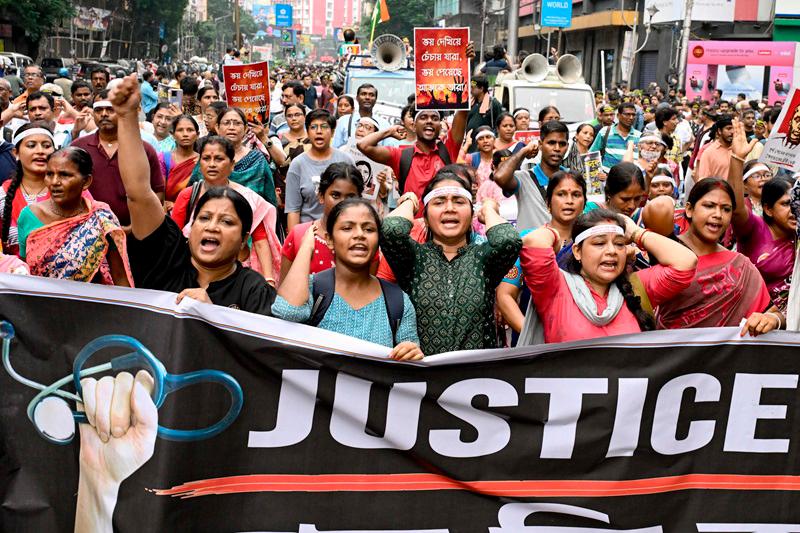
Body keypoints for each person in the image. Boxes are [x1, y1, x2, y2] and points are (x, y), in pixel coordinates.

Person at [111, 74, 277, 312]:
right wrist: (126, 117)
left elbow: (254, 348)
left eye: (227, 221)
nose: (212, 227)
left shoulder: (254, 290)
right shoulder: (167, 260)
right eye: (204, 218)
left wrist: (210, 314)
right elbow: (138, 193)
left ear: (243, 243)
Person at [380, 172, 522, 354]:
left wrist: (488, 209)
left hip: (477, 376)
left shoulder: (484, 259)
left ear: (472, 215)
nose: (449, 208)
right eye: (439, 202)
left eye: (459, 201)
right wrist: (410, 201)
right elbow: (391, 230)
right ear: (426, 219)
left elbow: (508, 240)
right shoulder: (413, 258)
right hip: (422, 376)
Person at [273, 198, 423, 359]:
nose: (359, 235)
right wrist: (306, 248)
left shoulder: (398, 301)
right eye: (347, 228)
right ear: (330, 240)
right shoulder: (312, 289)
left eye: (369, 229)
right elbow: (288, 313)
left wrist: (411, 352)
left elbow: (411, 360)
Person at [520, 208, 697, 344]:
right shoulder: (556, 287)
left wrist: (635, 232)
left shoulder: (636, 286)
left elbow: (685, 262)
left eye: (619, 244)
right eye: (599, 243)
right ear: (577, 251)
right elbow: (534, 242)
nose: (612, 251)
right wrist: (555, 234)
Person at [656, 178, 781, 335]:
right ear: (689, 209)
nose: (718, 215)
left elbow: (775, 314)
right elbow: (659, 207)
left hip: (727, 357)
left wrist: (771, 319)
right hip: (669, 353)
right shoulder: (666, 249)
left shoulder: (740, 265)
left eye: (726, 209)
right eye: (709, 206)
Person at [16, 146, 132, 285]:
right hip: (40, 302)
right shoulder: (29, 215)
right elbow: (25, 272)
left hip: (88, 302)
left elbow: (119, 275)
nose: (54, 182)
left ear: (86, 181)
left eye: (65, 175)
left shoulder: (101, 217)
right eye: (49, 174)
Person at [172, 136, 280, 285]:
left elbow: (260, 240)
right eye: (206, 158)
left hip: (235, 276)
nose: (212, 164)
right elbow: (174, 238)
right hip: (193, 274)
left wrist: (268, 279)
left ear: (232, 164)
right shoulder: (188, 195)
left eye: (219, 159)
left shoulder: (247, 198)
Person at [497, 171, 586, 344]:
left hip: (577, 342)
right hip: (533, 342)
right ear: (548, 203)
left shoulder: (589, 243)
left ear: (584, 203)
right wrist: (532, 335)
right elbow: (505, 295)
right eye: (561, 194)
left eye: (576, 195)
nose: (569, 201)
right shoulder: (530, 240)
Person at [728, 118, 796, 313]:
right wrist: (737, 159)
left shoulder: (797, 236)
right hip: (753, 324)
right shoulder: (756, 230)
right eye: (785, 204)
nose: (794, 210)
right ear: (768, 209)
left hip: (790, 323)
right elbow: (737, 208)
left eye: (796, 204)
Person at [71, 91, 165, 227]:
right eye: (98, 110)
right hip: (87, 232)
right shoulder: (78, 147)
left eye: (110, 109)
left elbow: (158, 192)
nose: (103, 114)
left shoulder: (143, 149)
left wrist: (137, 226)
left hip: (136, 234)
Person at [281, 162, 364, 278]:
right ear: (321, 196)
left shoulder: (365, 241)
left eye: (350, 197)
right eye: (335, 195)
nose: (342, 203)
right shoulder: (299, 235)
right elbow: (284, 291)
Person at [190, 107, 277, 206]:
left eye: (237, 123)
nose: (231, 127)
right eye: (226, 123)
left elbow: (270, 199)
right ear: (217, 128)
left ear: (245, 129)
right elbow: (193, 192)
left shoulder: (257, 160)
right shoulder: (208, 157)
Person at [492, 120, 570, 229]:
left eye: (562, 144)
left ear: (567, 146)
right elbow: (500, 177)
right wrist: (523, 151)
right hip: (531, 245)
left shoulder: (571, 178)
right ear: (540, 144)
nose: (557, 148)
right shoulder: (524, 178)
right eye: (551, 143)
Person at [285, 109, 354, 230]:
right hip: (309, 233)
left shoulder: (346, 160)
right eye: (313, 127)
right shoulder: (297, 165)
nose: (318, 131)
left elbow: (355, 202)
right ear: (307, 132)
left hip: (342, 231)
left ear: (332, 132)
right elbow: (293, 210)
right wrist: (295, 242)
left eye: (324, 127)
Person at [0, 122, 56, 255]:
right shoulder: (3, 195)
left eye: (46, 146)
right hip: (14, 274)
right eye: (31, 145)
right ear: (15, 153)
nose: (40, 151)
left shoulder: (72, 189)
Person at [159, 114, 199, 208]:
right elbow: (160, 193)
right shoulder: (163, 158)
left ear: (197, 135)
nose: (185, 134)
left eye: (190, 130)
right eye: (180, 130)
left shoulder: (202, 161)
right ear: (173, 135)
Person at [332, 84, 390, 148]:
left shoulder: (385, 124)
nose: (367, 97)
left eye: (371, 95)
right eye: (363, 94)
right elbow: (335, 148)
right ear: (357, 98)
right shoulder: (343, 121)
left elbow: (388, 150)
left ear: (376, 99)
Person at [589, 102, 641, 169]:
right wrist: (598, 173)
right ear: (618, 116)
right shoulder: (605, 132)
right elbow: (591, 156)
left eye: (633, 115)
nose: (631, 117)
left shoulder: (639, 136)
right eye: (627, 114)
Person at [465, 75, 503, 152]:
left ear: (481, 89)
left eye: (473, 87)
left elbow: (500, 124)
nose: (470, 90)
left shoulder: (493, 104)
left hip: (485, 147)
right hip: (471, 146)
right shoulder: (470, 103)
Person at [695, 115, 734, 181]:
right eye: (728, 128)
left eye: (734, 129)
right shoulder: (709, 152)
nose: (732, 132)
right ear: (719, 131)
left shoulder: (738, 150)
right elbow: (704, 180)